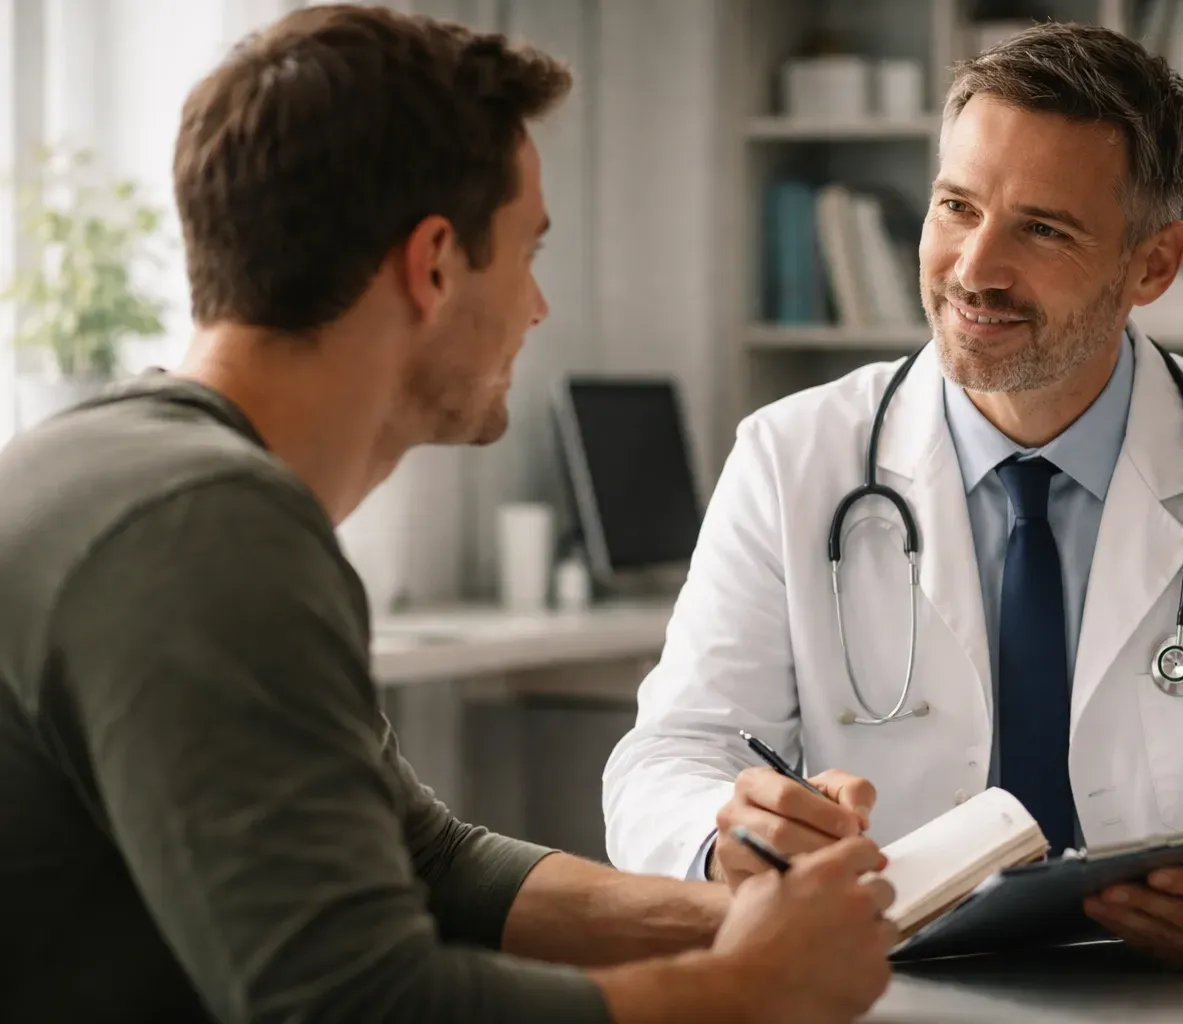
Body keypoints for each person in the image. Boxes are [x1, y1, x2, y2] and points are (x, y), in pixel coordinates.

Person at [0, 6, 899, 1023]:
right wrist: (745, 987)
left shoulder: (128, 472)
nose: (537, 307)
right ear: (432, 264)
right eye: (528, 253)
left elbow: (431, 861)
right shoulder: (204, 532)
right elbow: (358, 1003)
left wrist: (745, 916)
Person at [602, 21, 1183, 971]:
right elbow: (671, 756)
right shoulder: (789, 456)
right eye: (958, 206)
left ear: (1153, 265)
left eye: (1042, 228)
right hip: (887, 988)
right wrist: (728, 835)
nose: (975, 269)